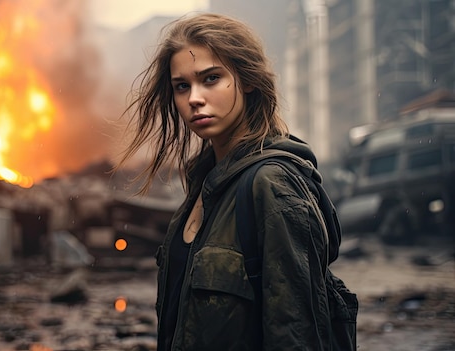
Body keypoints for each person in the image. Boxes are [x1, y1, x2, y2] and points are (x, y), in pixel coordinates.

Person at [115, 12, 355, 351]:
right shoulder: (205, 184)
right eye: (182, 86)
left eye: (211, 79)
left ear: (248, 79)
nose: (194, 98)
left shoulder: (271, 185)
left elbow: (295, 334)